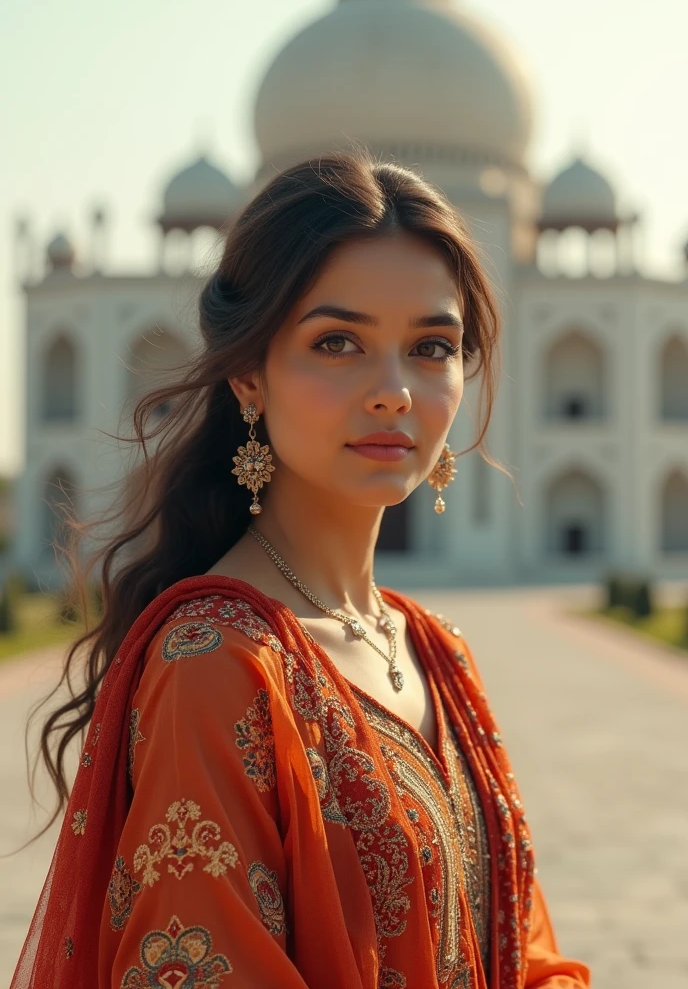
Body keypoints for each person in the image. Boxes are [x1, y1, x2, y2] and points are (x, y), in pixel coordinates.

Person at [11, 148, 591, 988]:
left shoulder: (433, 652)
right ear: (249, 374)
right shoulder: (219, 663)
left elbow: (527, 955)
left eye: (432, 347)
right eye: (339, 342)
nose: (394, 390)